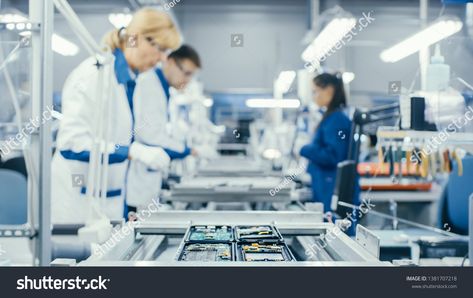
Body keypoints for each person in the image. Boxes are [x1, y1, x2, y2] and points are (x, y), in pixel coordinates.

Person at [51, 8, 181, 224]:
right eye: (161, 49)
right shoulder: (93, 75)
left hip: (110, 196)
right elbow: (72, 143)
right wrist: (131, 151)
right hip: (76, 199)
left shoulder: (132, 80)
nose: (161, 59)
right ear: (137, 38)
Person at [125, 45, 202, 213]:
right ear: (171, 63)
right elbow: (149, 134)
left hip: (148, 178)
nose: (187, 80)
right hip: (136, 177)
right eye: (186, 73)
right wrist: (186, 150)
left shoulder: (163, 89)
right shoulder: (149, 84)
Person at [299, 72, 356, 213]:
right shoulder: (331, 118)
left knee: (335, 228)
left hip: (331, 188)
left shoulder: (336, 120)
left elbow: (333, 156)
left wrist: (305, 149)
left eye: (315, 92)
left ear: (329, 90)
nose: (314, 96)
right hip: (325, 185)